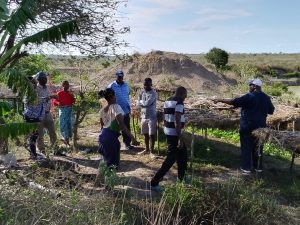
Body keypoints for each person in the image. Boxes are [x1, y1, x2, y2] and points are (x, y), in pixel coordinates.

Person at [213, 78, 275, 173]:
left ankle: (246, 168)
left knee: (246, 146)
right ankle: (258, 167)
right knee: (258, 147)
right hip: (261, 127)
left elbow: (234, 101)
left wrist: (220, 99)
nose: (249, 87)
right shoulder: (266, 97)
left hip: (247, 126)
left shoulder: (250, 96)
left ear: (254, 86)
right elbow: (271, 111)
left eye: (250, 85)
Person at [150, 86, 188, 192]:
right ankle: (154, 182)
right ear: (181, 94)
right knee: (170, 159)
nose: (186, 97)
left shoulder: (167, 101)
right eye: (185, 94)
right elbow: (177, 121)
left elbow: (164, 117)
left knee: (183, 155)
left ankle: (182, 177)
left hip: (168, 131)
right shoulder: (179, 103)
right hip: (175, 134)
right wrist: (180, 138)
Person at [98, 88, 139, 169]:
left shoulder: (102, 110)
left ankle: (102, 180)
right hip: (111, 138)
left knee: (105, 162)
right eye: (115, 96)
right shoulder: (116, 107)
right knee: (112, 165)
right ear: (113, 96)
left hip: (102, 137)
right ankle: (109, 180)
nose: (116, 97)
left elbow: (102, 127)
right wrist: (133, 138)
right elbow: (121, 124)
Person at [34, 72, 64, 156]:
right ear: (39, 80)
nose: (45, 80)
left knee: (53, 132)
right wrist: (50, 97)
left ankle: (55, 150)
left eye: (45, 78)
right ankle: (41, 151)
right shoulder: (36, 89)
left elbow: (50, 97)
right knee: (40, 134)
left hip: (48, 113)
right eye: (43, 78)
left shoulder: (46, 88)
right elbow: (36, 101)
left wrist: (52, 97)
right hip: (39, 114)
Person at [108, 70, 133, 150]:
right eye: (118, 76)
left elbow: (127, 96)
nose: (120, 78)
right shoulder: (111, 86)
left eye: (121, 76)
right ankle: (113, 144)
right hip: (116, 111)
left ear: (123, 76)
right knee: (115, 127)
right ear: (116, 77)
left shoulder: (126, 85)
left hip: (126, 110)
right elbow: (107, 97)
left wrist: (129, 107)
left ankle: (127, 144)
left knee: (126, 127)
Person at [23, 77, 46, 160]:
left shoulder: (32, 92)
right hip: (31, 117)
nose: (36, 85)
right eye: (34, 83)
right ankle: (33, 155)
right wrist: (48, 98)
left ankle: (33, 154)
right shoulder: (29, 93)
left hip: (34, 117)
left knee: (34, 136)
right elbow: (36, 101)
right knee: (32, 136)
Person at [137, 78, 157, 157]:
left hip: (151, 116)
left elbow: (147, 103)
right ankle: (147, 149)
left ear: (151, 84)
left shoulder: (153, 93)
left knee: (151, 134)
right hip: (143, 115)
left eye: (148, 85)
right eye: (145, 85)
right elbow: (138, 103)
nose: (146, 86)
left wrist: (141, 102)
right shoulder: (142, 92)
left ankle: (152, 152)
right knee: (145, 133)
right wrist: (141, 102)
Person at [53, 80, 75, 146]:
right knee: (63, 124)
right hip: (62, 110)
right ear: (63, 85)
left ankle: (68, 139)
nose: (67, 86)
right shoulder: (59, 93)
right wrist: (58, 103)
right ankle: (65, 139)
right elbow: (54, 102)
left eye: (68, 85)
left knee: (69, 124)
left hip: (69, 109)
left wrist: (72, 95)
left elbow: (73, 102)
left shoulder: (70, 93)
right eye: (65, 85)